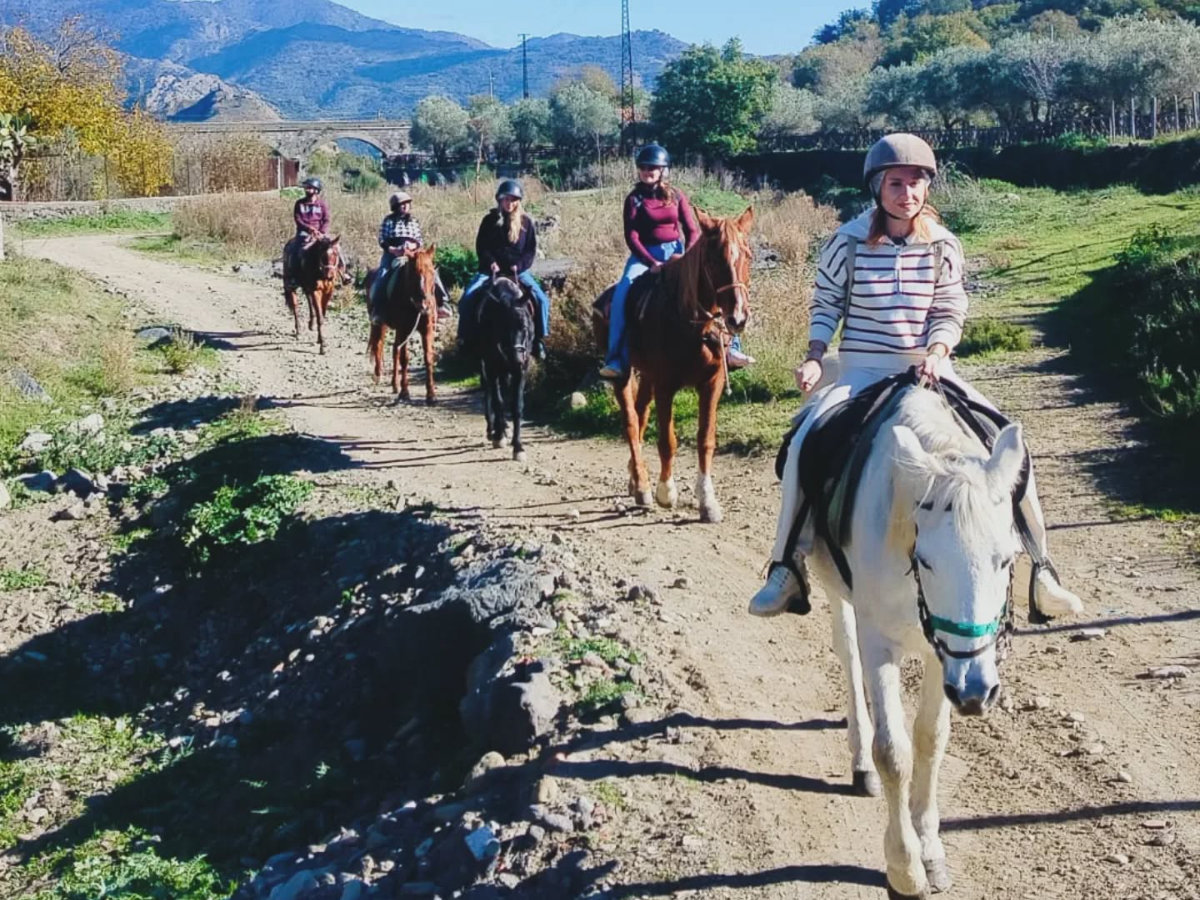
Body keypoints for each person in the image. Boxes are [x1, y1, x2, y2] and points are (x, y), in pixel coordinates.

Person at [748, 132, 1079, 618]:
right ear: (877, 188)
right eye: (896, 183)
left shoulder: (945, 245)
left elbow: (950, 305)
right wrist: (817, 353)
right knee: (803, 443)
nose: (908, 193)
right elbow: (826, 304)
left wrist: (938, 350)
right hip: (863, 370)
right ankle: (787, 566)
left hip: (928, 369)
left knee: (1006, 439)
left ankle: (1042, 568)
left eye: (917, 183)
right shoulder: (846, 242)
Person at [598, 143, 753, 381]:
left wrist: (688, 257)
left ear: (663, 170)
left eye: (653, 167)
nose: (647, 171)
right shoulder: (634, 199)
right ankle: (617, 358)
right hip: (645, 255)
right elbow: (632, 236)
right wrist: (651, 263)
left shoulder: (677, 196)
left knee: (715, 284)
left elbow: (691, 229)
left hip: (677, 251)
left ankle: (733, 348)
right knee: (623, 292)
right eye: (643, 167)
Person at [457, 179, 550, 360]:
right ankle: (465, 339)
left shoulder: (526, 223)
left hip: (517, 271)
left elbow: (530, 251)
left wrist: (520, 265)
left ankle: (539, 339)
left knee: (542, 299)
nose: (510, 203)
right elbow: (481, 247)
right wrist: (491, 262)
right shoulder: (489, 221)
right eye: (506, 199)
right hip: (490, 272)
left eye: (513, 199)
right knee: (467, 298)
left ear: (518, 201)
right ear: (499, 200)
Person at [370, 190, 452, 322]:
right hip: (393, 254)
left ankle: (442, 303)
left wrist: (413, 247)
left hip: (413, 254)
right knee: (382, 275)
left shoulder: (413, 221)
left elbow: (419, 239)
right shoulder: (388, 220)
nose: (405, 206)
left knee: (430, 273)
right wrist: (393, 250)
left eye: (407, 203)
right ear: (395, 206)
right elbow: (382, 239)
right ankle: (378, 309)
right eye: (402, 204)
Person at [284, 176, 330, 288]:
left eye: (310, 188)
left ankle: (344, 274)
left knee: (334, 247)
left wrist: (321, 232)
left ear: (316, 190)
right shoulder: (299, 203)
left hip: (320, 232)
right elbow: (298, 219)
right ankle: (293, 277)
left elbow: (326, 219)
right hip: (304, 232)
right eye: (306, 188)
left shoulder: (322, 204)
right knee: (296, 250)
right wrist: (309, 229)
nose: (307, 190)